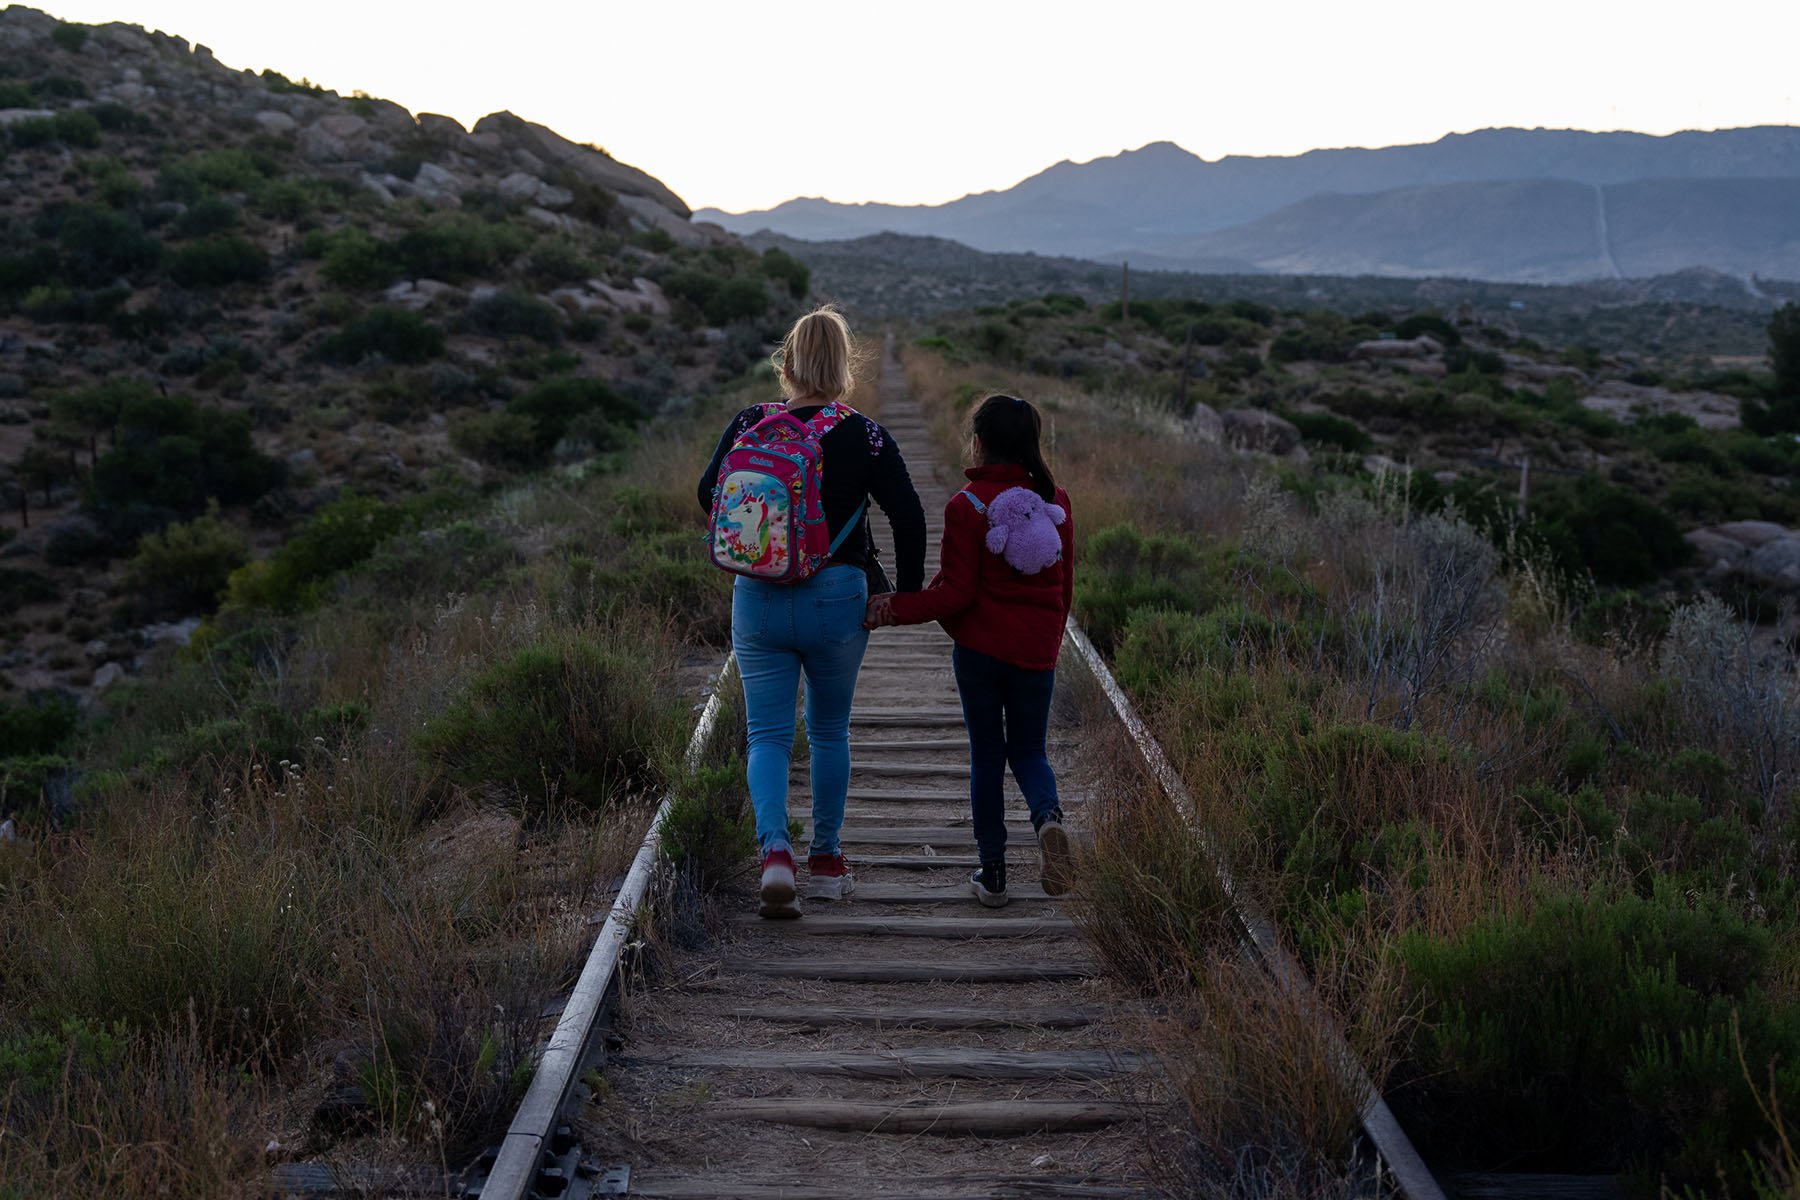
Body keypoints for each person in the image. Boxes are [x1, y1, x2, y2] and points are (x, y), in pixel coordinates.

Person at [697, 307, 926, 918]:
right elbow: (909, 515)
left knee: (767, 735)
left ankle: (775, 853)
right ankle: (825, 861)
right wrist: (899, 595)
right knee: (828, 731)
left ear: (787, 363)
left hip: (760, 598)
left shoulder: (752, 423)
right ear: (844, 365)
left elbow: (706, 494)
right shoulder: (866, 433)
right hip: (838, 597)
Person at [865, 393, 1074, 907]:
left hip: (980, 652)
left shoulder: (966, 506)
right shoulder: (1057, 503)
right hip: (1035, 652)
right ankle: (1048, 818)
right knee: (1029, 751)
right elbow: (1065, 586)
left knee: (987, 754)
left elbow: (955, 593)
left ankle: (994, 874)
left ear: (978, 444)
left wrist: (894, 607)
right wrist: (1050, 641)